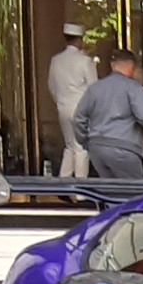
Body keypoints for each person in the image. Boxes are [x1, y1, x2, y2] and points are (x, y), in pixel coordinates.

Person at [72, 49, 143, 180]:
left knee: (110, 193)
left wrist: (84, 141)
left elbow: (79, 118)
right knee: (134, 192)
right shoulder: (133, 88)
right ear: (131, 66)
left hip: (97, 149)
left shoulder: (95, 88)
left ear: (113, 65)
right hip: (124, 149)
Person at [48, 24, 96, 177]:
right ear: (80, 40)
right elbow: (93, 88)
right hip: (81, 109)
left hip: (63, 107)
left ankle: (64, 183)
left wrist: (59, 102)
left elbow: (51, 85)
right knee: (82, 148)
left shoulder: (56, 60)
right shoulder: (85, 61)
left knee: (69, 146)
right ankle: (81, 190)